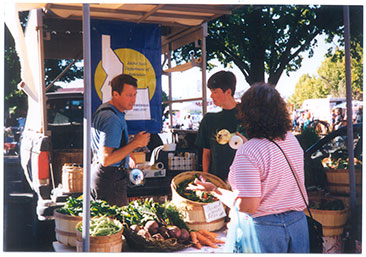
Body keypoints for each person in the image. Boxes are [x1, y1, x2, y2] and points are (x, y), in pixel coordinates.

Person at [188, 83, 309, 253]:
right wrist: (214, 189)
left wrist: (221, 196)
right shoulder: (291, 140)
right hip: (298, 226)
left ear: (248, 114)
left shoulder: (249, 151)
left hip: (264, 232)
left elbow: (248, 206)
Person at [91, 74, 150, 207]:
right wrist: (136, 143)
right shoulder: (112, 119)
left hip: (101, 175)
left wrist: (128, 154)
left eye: (135, 94)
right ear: (115, 94)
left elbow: (109, 146)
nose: (133, 100)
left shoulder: (106, 110)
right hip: (110, 180)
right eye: (129, 95)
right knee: (116, 225)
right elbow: (107, 160)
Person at [195, 70, 247, 182]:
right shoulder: (209, 119)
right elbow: (206, 153)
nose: (211, 95)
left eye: (215, 92)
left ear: (228, 92)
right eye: (211, 91)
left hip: (243, 181)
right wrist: (205, 178)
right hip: (216, 183)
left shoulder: (248, 117)